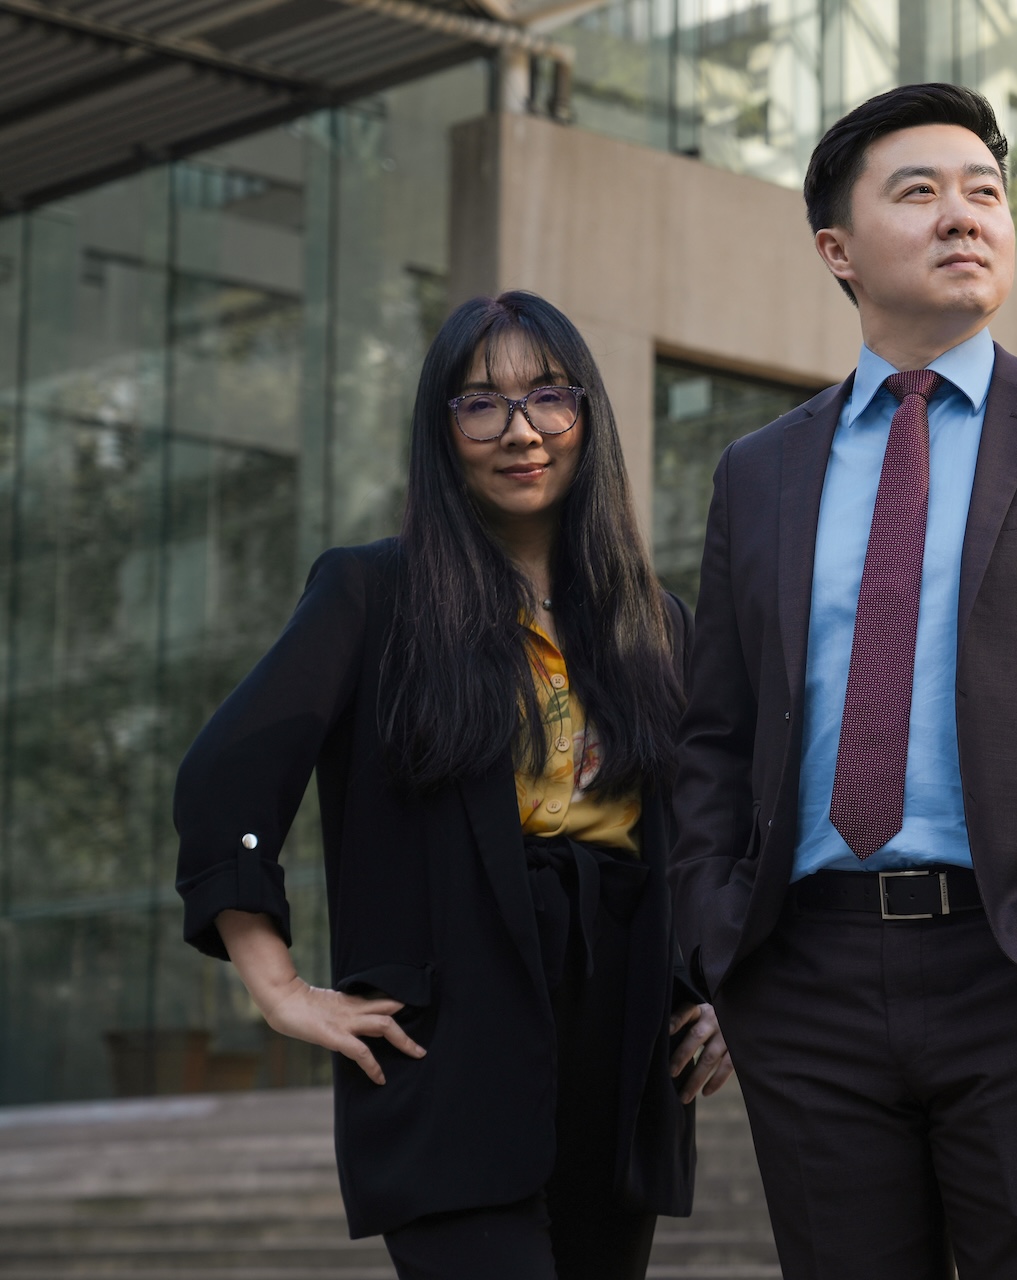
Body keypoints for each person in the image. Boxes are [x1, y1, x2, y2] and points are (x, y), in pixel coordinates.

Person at [669, 83, 1017, 1280]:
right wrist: (719, 937)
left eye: (986, 192)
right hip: (803, 972)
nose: (965, 215)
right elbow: (717, 733)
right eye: (919, 193)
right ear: (838, 249)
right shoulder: (760, 470)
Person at [173, 292, 732, 1279]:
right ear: (443, 431)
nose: (521, 430)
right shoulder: (372, 593)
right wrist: (280, 989)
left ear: (588, 416)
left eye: (548, 396)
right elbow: (227, 774)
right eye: (481, 404)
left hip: (622, 1051)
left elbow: (707, 825)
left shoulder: (655, 622)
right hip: (452, 1053)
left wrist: (723, 984)